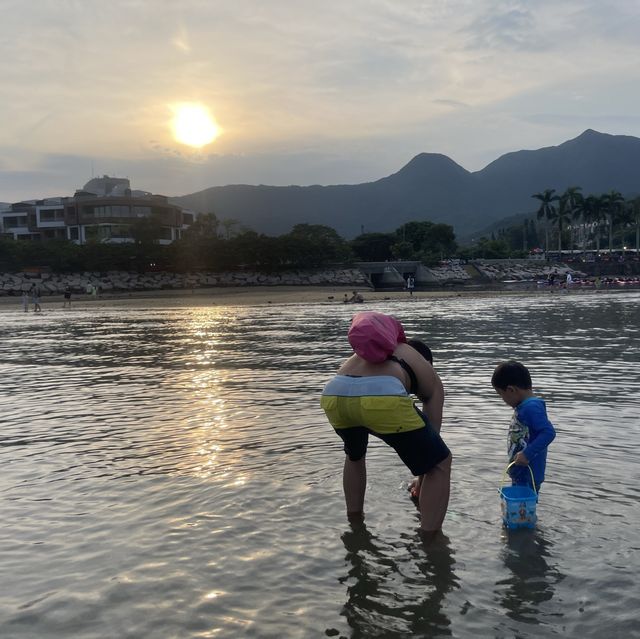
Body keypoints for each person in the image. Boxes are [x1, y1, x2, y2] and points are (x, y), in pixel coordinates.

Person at [321, 312, 452, 534]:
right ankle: (431, 540)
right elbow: (432, 440)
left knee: (354, 456)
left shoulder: (358, 357)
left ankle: (355, 522)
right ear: (427, 362)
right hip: (382, 396)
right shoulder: (424, 368)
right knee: (440, 463)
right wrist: (422, 480)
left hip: (335, 393)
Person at [491, 361, 556, 492]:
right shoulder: (524, 406)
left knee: (523, 510)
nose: (504, 401)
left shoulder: (531, 408)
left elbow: (548, 432)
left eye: (501, 395)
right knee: (518, 511)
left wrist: (527, 454)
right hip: (522, 473)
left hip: (528, 475)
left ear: (511, 390)